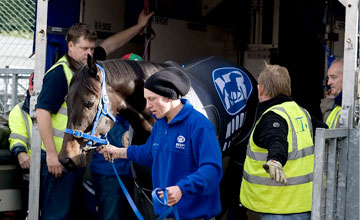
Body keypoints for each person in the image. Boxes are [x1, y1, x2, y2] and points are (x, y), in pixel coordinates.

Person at [36, 10, 154, 219]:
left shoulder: (88, 68)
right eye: (84, 48)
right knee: (56, 214)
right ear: (70, 46)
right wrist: (52, 155)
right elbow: (42, 112)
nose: (90, 53)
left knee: (74, 212)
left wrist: (139, 27)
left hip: (76, 154)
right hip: (59, 158)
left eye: (92, 48)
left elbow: (110, 45)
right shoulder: (60, 73)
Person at [98, 67, 223, 220]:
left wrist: (181, 189)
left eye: (152, 99)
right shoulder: (160, 124)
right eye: (146, 99)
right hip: (165, 215)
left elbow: (212, 169)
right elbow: (150, 153)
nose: (148, 105)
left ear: (169, 97)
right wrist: (119, 152)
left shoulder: (199, 126)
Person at [239, 64, 322, 219]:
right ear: (287, 89)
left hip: (276, 208)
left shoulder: (272, 116)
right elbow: (328, 133)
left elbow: (276, 139)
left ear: (260, 89)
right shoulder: (302, 113)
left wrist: (275, 159)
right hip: (304, 205)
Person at [8, 73, 34, 219]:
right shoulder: (19, 111)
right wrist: (21, 153)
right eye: (33, 89)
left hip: (55, 165)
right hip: (30, 168)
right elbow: (17, 136)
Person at [323, 58, 343, 128]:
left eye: (333, 77)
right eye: (328, 78)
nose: (328, 83)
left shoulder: (354, 108)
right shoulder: (338, 106)